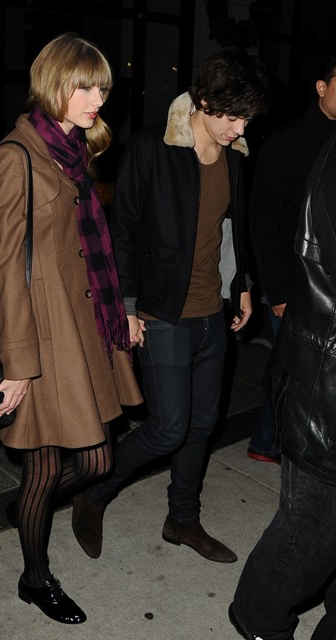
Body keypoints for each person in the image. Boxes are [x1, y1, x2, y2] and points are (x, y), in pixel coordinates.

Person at [71, 48, 270, 564]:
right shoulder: (152, 149)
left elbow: (231, 226)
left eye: (246, 118)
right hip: (161, 311)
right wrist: (128, 306)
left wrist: (242, 285)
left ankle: (182, 519)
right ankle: (93, 490)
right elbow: (121, 232)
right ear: (203, 102)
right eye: (231, 116)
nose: (239, 128)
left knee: (203, 425)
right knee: (167, 428)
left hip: (212, 311)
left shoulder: (234, 154)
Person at [0, 33, 142, 624]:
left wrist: (121, 308)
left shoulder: (74, 151)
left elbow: (88, 246)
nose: (98, 99)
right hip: (38, 332)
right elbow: (6, 270)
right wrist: (19, 366)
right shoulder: (14, 157)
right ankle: (35, 577)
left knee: (97, 460)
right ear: (53, 84)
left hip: (80, 325)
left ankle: (31, 503)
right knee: (46, 464)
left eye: (102, 88)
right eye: (85, 87)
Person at [229, 128, 336, 640]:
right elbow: (264, 222)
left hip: (318, 365)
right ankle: (258, 618)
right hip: (326, 385)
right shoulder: (304, 146)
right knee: (309, 530)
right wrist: (268, 292)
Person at [247, 54, 336, 464]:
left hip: (326, 279)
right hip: (293, 282)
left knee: (314, 372)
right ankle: (268, 442)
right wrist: (278, 290)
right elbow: (263, 220)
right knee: (292, 370)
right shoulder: (289, 141)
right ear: (321, 87)